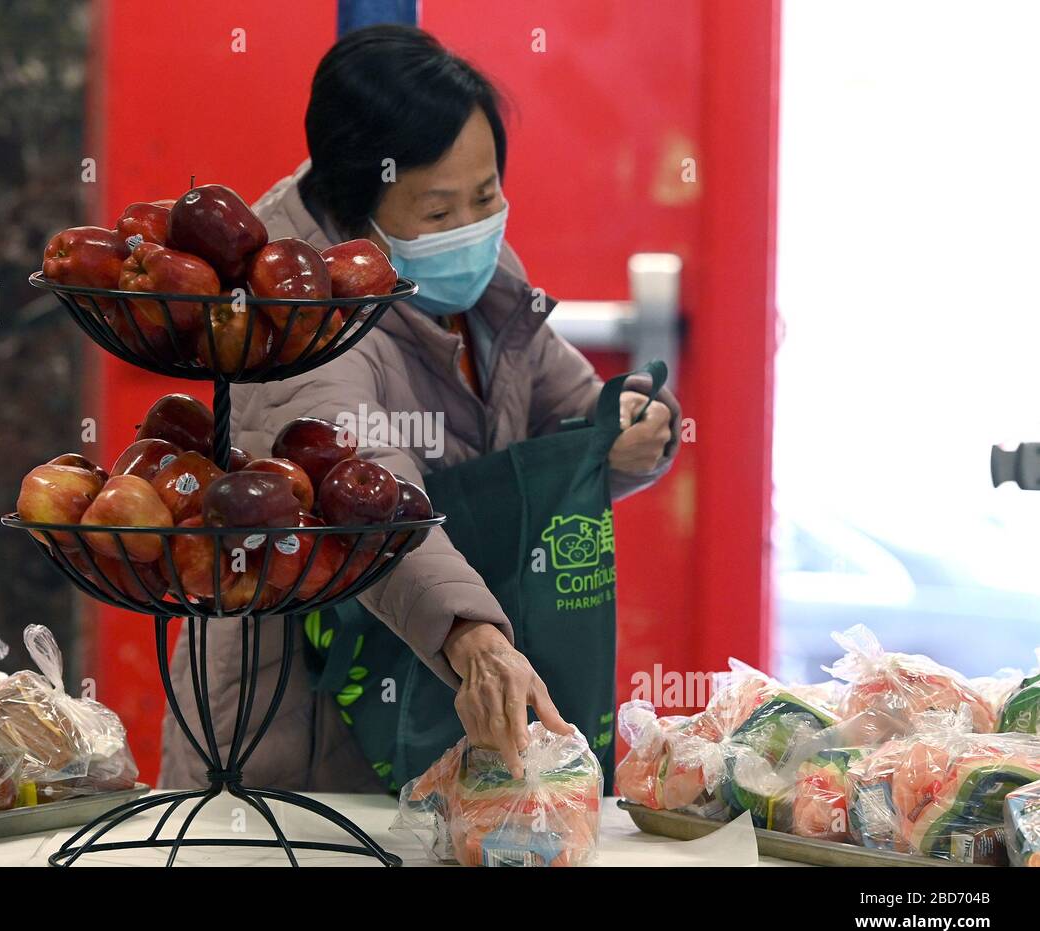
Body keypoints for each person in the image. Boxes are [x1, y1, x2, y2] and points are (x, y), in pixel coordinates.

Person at [159, 24, 679, 792]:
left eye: (486, 193)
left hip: (428, 719)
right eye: (437, 213)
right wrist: (469, 636)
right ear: (355, 210)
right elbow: (360, 488)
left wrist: (632, 429)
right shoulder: (292, 320)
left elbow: (567, 411)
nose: (471, 229)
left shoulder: (485, 280)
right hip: (295, 756)